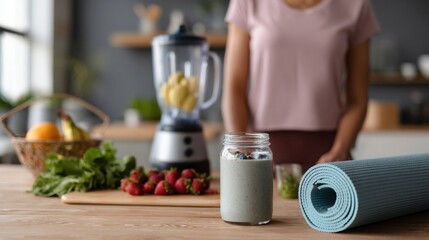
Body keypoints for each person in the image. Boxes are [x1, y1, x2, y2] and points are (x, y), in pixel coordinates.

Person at [222, 0, 379, 171]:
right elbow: (234, 90)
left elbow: (357, 100)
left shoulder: (356, 5)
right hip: (260, 156)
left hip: (330, 158)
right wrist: (242, 153)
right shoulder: (247, 3)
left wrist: (339, 151)